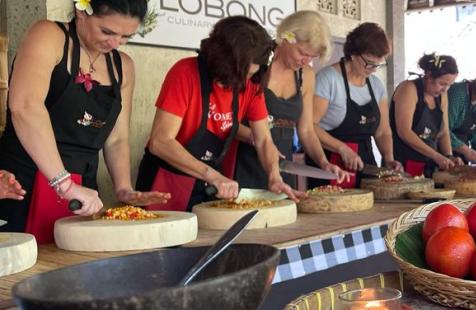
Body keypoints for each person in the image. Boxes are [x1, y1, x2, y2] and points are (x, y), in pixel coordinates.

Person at [0, 0, 169, 242]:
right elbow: (25, 107)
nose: (115, 43)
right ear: (82, 12)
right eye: (107, 32)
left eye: (125, 37)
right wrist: (64, 184)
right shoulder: (49, 36)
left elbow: (117, 138)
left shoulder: (124, 67)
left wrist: (124, 189)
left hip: (83, 190)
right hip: (23, 182)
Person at [136, 16, 298, 212]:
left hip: (210, 184)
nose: (245, 81)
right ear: (223, 61)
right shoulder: (185, 72)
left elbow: (263, 140)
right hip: (166, 182)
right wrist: (212, 176)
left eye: (251, 74)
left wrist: (274, 177)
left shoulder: (251, 84)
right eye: (241, 74)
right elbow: (161, 142)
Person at [231, 11, 349, 190]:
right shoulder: (257, 65)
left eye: (312, 57)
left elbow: (307, 131)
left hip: (283, 166)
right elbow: (226, 120)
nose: (306, 61)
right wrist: (256, 138)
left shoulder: (306, 76)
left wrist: (323, 162)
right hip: (243, 161)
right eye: (302, 53)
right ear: (287, 38)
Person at [310, 22, 400, 188]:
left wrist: (388, 159)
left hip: (366, 165)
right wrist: (342, 148)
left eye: (379, 64)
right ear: (353, 54)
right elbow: (310, 127)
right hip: (331, 165)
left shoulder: (376, 85)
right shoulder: (328, 79)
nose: (373, 69)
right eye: (370, 63)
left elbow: (383, 131)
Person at [390, 53, 462, 177]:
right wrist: (436, 155)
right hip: (404, 164)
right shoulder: (408, 88)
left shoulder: (442, 95)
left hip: (430, 165)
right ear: (428, 76)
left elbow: (444, 132)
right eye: (442, 84)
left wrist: (449, 156)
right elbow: (404, 132)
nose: (445, 89)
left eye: (450, 85)